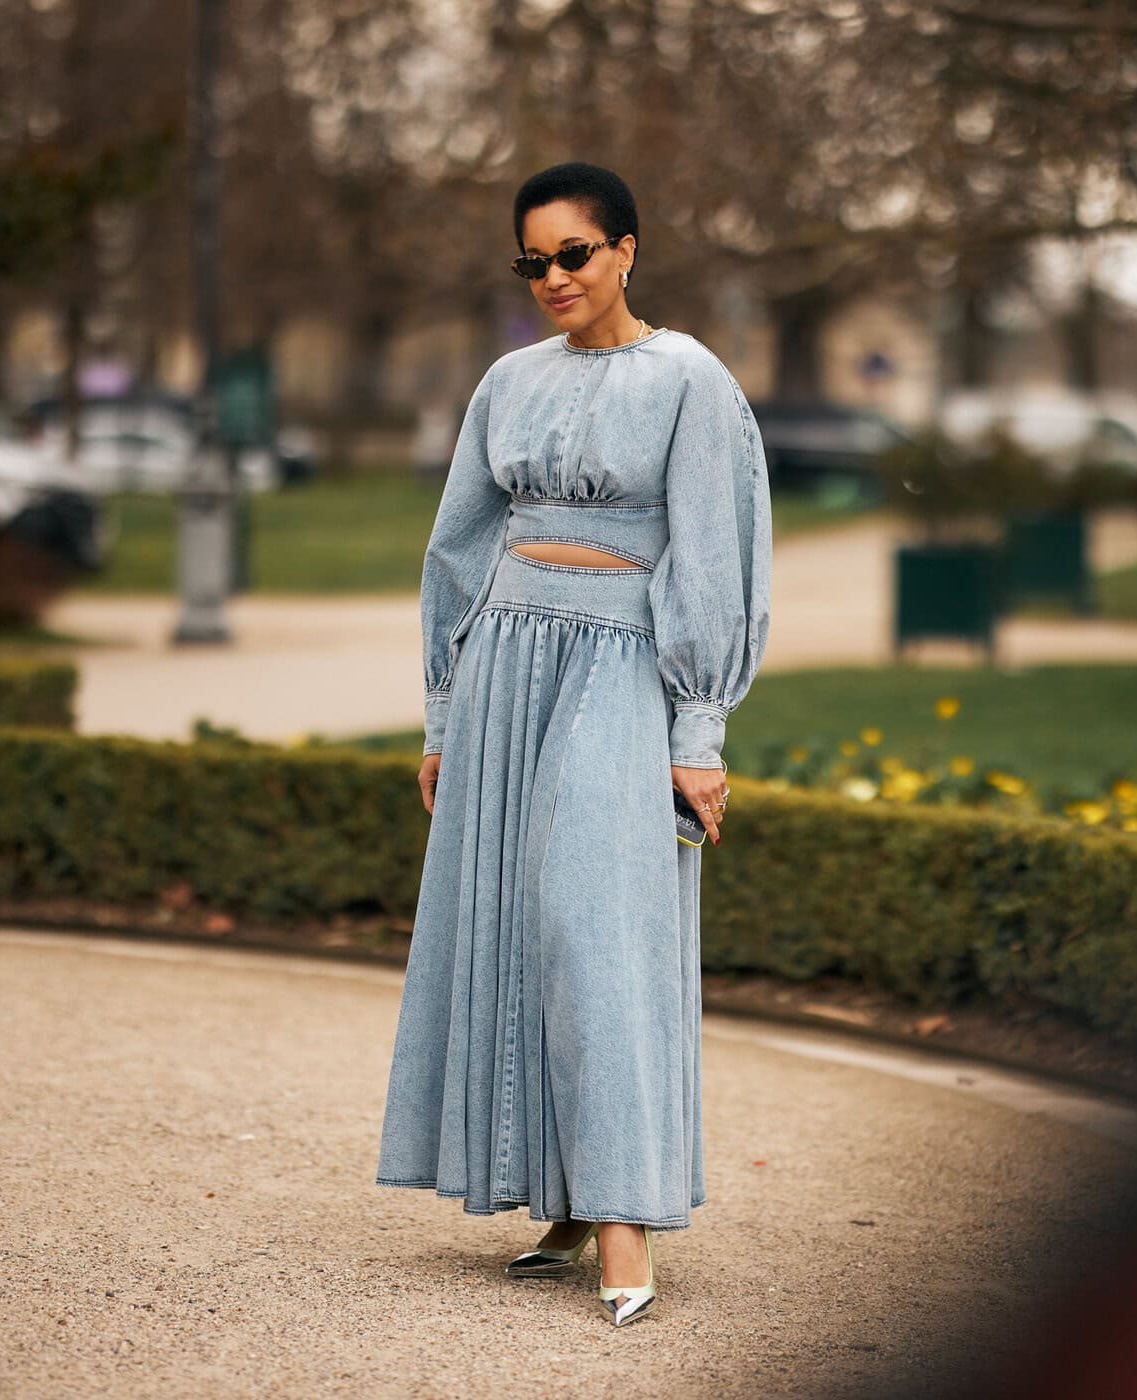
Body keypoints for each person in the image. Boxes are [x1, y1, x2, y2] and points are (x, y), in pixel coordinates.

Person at [374, 162, 772, 1328]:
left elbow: (717, 556)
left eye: (574, 254)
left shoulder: (691, 379)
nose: (552, 276)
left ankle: (623, 1217)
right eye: (531, 261)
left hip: (621, 666)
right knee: (505, 914)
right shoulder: (507, 380)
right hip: (502, 663)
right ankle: (556, 1197)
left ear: (628, 250)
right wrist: (444, 713)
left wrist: (699, 728)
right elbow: (456, 548)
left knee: (596, 920)